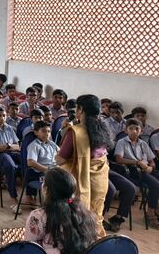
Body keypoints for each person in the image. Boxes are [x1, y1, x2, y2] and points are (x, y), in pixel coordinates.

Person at [55, 94, 111, 236]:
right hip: (100, 179)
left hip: (80, 179)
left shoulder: (76, 132)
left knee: (78, 215)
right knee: (96, 213)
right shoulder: (103, 130)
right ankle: (96, 242)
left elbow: (60, 160)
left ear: (80, 110)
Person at [114, 118, 159, 231]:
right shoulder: (122, 142)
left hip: (147, 169)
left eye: (137, 129)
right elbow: (119, 159)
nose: (134, 131)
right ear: (126, 130)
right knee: (156, 185)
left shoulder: (143, 144)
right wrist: (137, 162)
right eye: (131, 129)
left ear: (141, 131)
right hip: (134, 170)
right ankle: (150, 214)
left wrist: (150, 166)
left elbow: (152, 160)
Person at [24, 168, 100, 254]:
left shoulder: (38, 216)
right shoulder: (85, 212)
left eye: (43, 181)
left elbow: (29, 248)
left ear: (46, 189)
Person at [26, 120, 59, 205]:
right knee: (60, 182)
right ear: (36, 132)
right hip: (41, 173)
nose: (47, 134)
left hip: (54, 169)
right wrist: (47, 170)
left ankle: (62, 203)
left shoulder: (52, 144)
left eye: (49, 131)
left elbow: (60, 154)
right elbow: (31, 162)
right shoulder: (34, 145)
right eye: (44, 131)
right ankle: (52, 204)